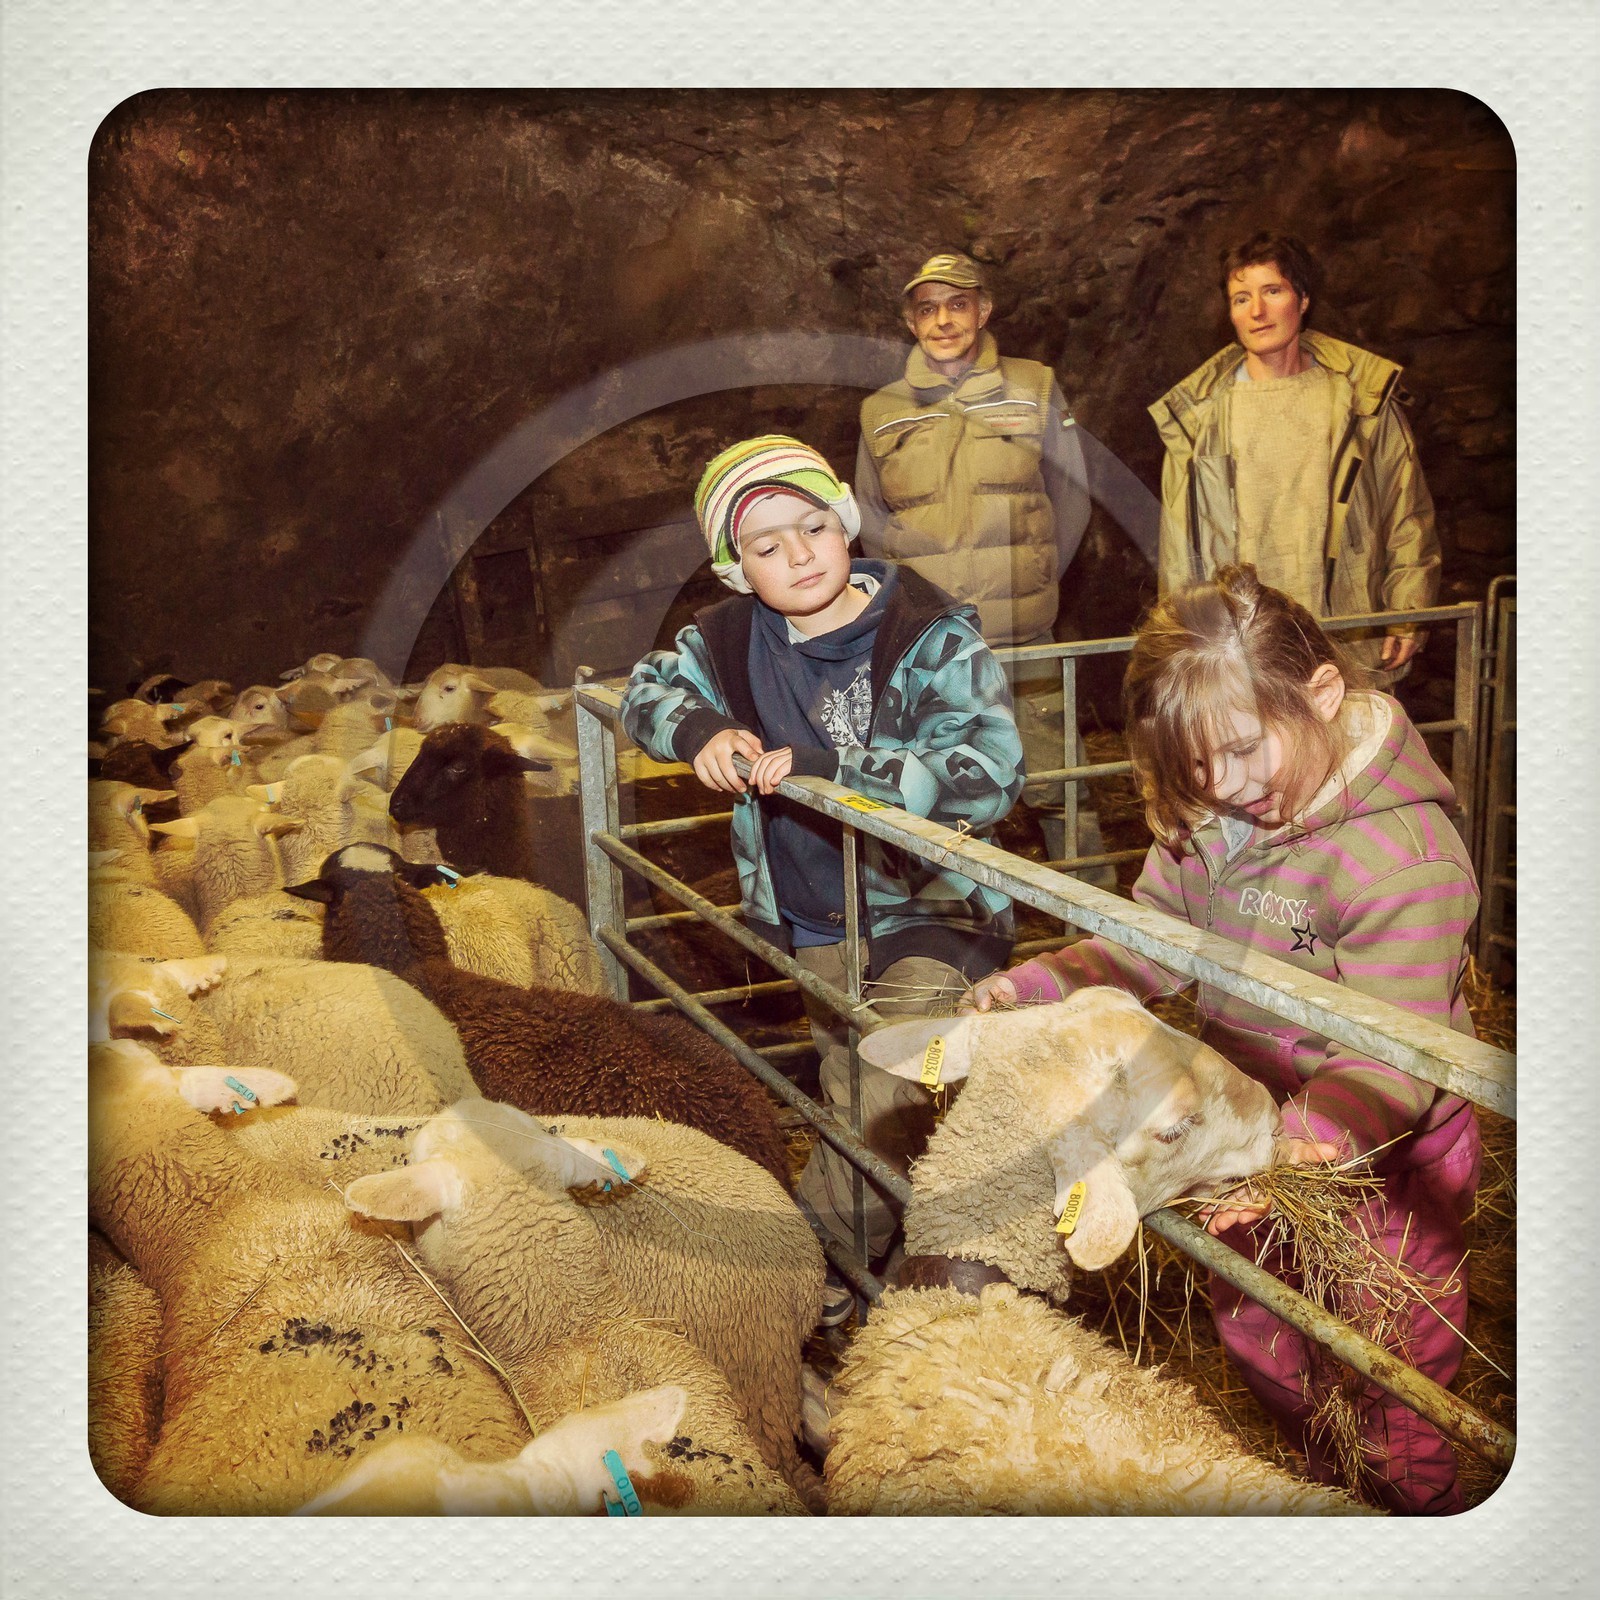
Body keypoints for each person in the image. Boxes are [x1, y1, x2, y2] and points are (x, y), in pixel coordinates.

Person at [965, 565, 1480, 1515]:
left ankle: (1417, 1527)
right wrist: (1033, 988)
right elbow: (1148, 946)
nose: (1225, 786)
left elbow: (1390, 1058)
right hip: (1241, 1137)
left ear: (1323, 695)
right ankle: (1323, 1499)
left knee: (1391, 1367)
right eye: (1197, 764)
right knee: (1264, 1336)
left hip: (1382, 1170)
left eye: (1243, 751)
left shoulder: (1400, 862)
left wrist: (1298, 1150)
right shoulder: (1211, 820)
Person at [622, 434, 1024, 1322]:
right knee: (854, 1092)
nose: (798, 554)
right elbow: (642, 690)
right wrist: (698, 732)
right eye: (766, 546)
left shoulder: (930, 634)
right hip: (814, 917)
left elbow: (987, 772)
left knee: (878, 1107)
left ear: (845, 525)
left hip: (929, 911)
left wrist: (828, 769)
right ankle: (875, 1295)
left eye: (813, 527)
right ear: (736, 570)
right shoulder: (725, 641)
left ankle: (788, 1287)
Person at [854, 250, 1112, 881]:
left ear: (984, 309)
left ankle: (1101, 930)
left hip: (1025, 635)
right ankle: (965, 934)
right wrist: (908, 608)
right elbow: (868, 515)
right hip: (937, 647)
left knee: (1059, 782)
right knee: (949, 793)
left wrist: (1040, 575)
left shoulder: (1035, 386)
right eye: (928, 309)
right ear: (911, 323)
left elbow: (1073, 495)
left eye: (958, 304)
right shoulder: (880, 410)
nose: (944, 320)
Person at [1151, 231, 1439, 681]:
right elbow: (1178, 548)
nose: (1257, 311)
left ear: (1302, 299)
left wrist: (1409, 609)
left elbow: (1406, 512)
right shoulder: (1199, 418)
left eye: (1273, 291)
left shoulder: (1359, 401)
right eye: (1241, 298)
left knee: (1348, 748)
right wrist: (1181, 637)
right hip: (1243, 645)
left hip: (1345, 628)